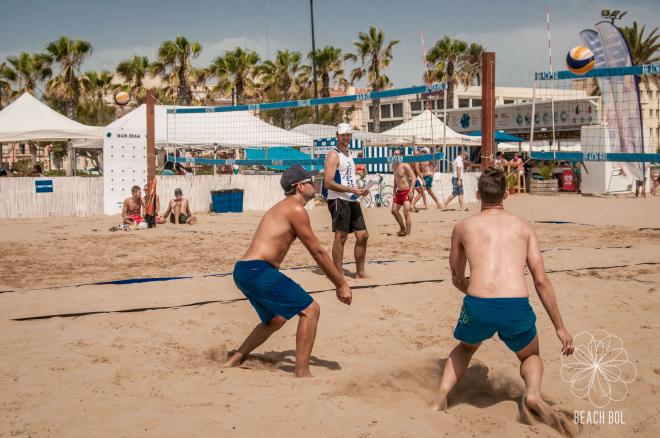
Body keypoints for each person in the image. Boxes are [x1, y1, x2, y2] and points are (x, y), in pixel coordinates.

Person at [431, 168, 576, 433]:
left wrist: (475, 294)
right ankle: (532, 394)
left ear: (477, 195)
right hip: (515, 304)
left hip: (478, 302)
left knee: (465, 348)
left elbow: (456, 274)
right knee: (530, 355)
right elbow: (541, 280)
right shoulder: (523, 227)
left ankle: (440, 396)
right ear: (507, 194)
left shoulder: (463, 227)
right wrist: (560, 327)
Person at [223, 165, 352, 377]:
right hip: (257, 269)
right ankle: (302, 372)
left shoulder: (283, 207)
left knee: (276, 319)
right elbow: (317, 252)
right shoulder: (295, 208)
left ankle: (235, 359)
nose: (314, 184)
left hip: (244, 271)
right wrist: (341, 283)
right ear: (300, 186)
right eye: (310, 181)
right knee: (310, 310)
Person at [323, 123, 370, 278]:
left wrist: (360, 191)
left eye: (348, 135)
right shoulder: (333, 154)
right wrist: (351, 190)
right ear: (337, 136)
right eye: (343, 135)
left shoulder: (348, 153)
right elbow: (328, 183)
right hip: (338, 199)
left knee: (363, 235)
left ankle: (361, 273)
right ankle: (337, 273)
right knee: (341, 236)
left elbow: (349, 179)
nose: (346, 138)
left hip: (352, 198)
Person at [390, 150, 416, 236]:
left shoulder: (405, 166)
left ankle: (408, 233)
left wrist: (411, 191)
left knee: (406, 212)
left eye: (398, 154)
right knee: (394, 211)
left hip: (407, 191)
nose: (396, 156)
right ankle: (402, 228)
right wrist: (394, 190)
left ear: (401, 155)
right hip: (399, 192)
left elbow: (414, 178)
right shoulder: (393, 166)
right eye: (394, 154)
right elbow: (395, 178)